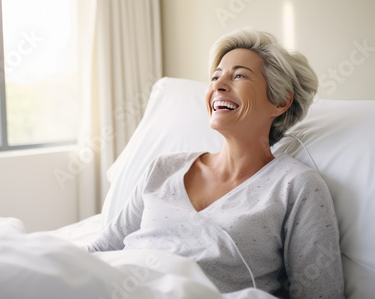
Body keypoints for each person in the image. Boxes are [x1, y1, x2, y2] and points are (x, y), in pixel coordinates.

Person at [87, 28, 344, 298]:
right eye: (215, 76)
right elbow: (103, 250)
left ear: (280, 101)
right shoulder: (164, 168)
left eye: (240, 75)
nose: (218, 86)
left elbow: (319, 293)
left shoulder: (296, 186)